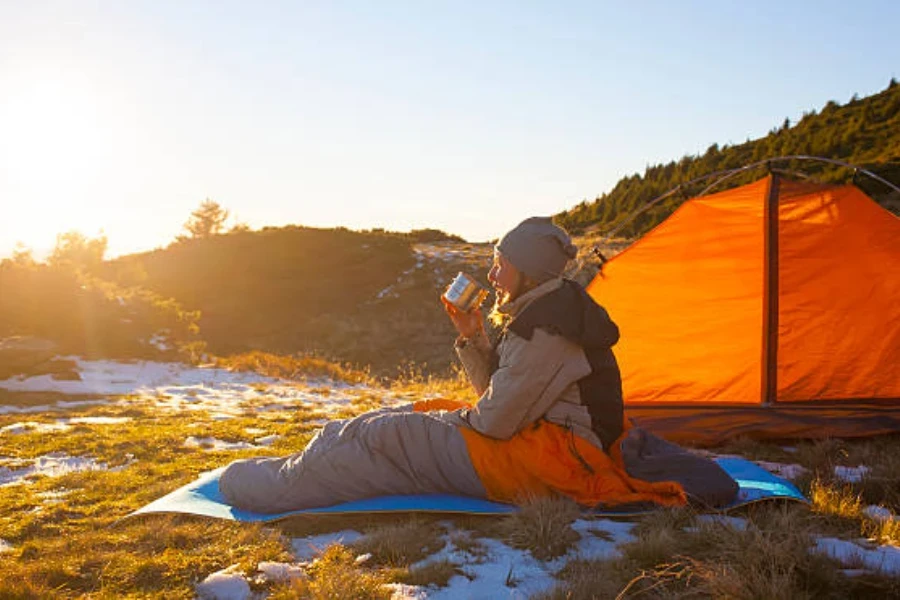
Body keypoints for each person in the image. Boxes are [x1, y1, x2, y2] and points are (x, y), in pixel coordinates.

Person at [219, 217, 735, 513]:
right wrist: (472, 337)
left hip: (554, 458)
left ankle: (278, 488)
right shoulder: (543, 310)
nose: (491, 273)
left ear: (527, 271)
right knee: (396, 418)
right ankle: (309, 459)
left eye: (500, 263)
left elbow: (493, 419)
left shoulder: (547, 328)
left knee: (391, 436)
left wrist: (447, 422)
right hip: (539, 437)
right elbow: (504, 393)